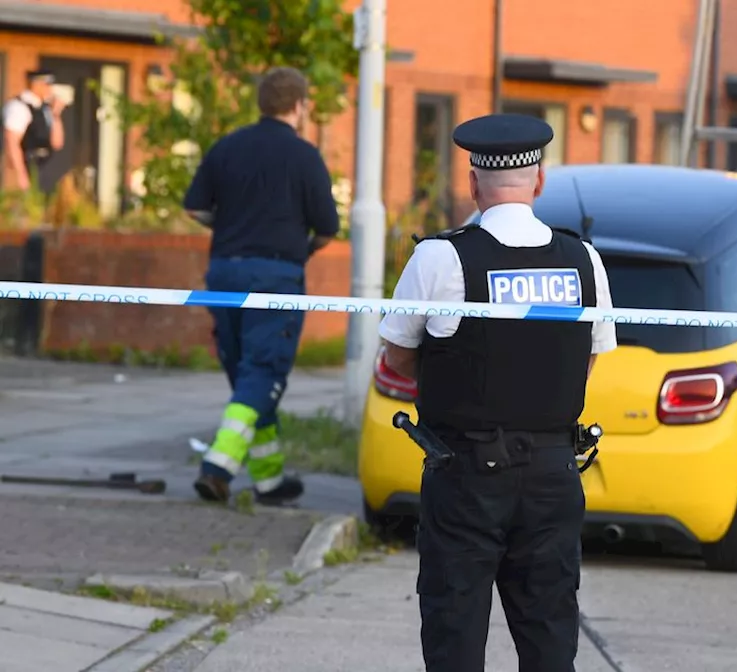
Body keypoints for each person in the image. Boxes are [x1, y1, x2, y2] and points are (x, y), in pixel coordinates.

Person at [378, 113, 617, 672]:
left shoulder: (441, 257)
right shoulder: (585, 261)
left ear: (473, 183)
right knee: (550, 637)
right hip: (555, 476)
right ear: (539, 181)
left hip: (466, 475)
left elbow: (395, 355)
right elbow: (588, 361)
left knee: (454, 632)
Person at [184, 66, 340, 506]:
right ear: (300, 106)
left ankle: (269, 481)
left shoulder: (228, 147)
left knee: (247, 375)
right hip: (274, 276)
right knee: (264, 371)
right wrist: (302, 246)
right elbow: (327, 228)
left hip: (224, 274)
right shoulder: (305, 156)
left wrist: (231, 224)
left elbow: (195, 208)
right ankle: (218, 466)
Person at [2, 69, 66, 193]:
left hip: (42, 169)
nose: (50, 89)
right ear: (35, 84)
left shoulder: (45, 109)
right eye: (47, 85)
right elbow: (12, 142)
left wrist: (56, 115)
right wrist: (21, 174)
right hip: (24, 167)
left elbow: (57, 143)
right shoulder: (19, 107)